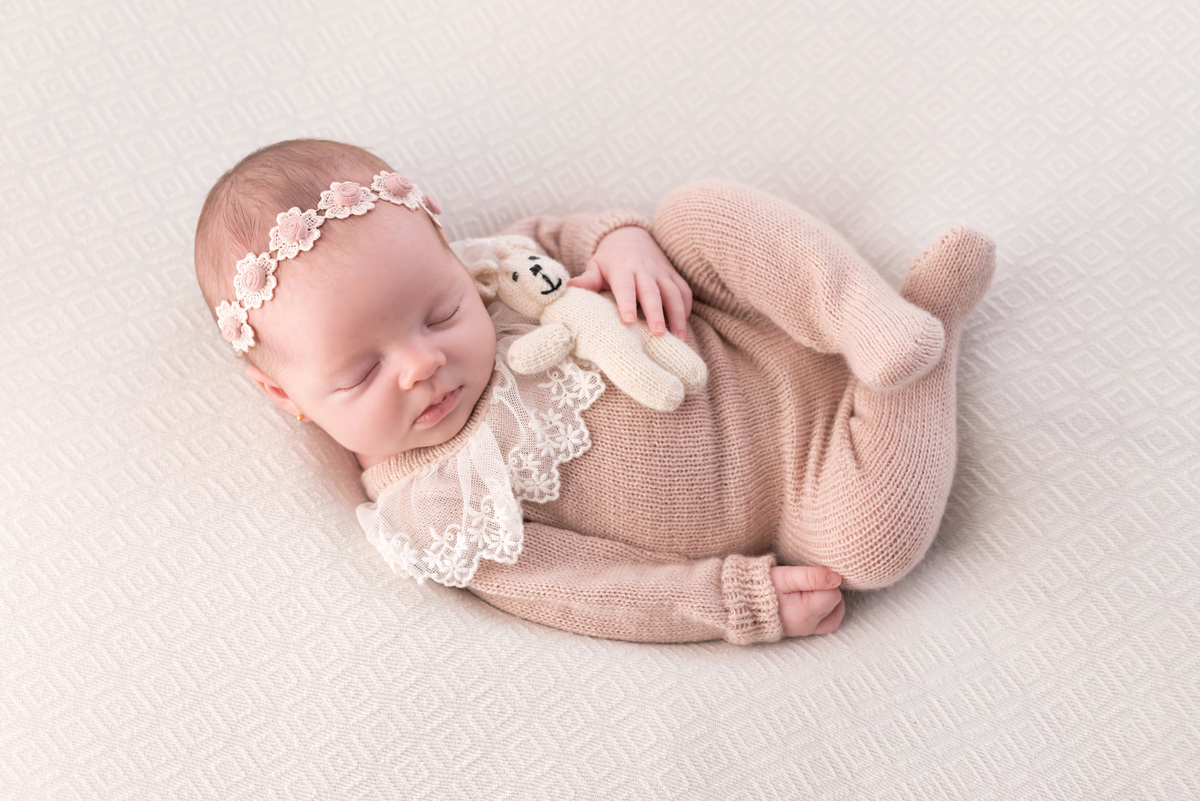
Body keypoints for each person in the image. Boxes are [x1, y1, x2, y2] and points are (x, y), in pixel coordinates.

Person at [193, 138, 995, 644]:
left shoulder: (490, 269)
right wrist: (732, 601)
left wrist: (624, 243)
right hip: (804, 490)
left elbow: (554, 238)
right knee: (871, 546)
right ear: (284, 395)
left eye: (441, 312)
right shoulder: (438, 507)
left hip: (743, 320)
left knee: (696, 214)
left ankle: (864, 315)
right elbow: (586, 588)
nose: (421, 364)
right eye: (362, 373)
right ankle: (929, 330)